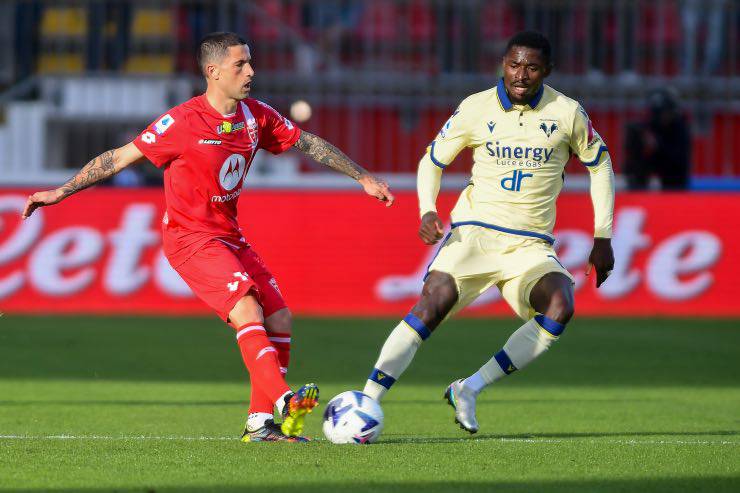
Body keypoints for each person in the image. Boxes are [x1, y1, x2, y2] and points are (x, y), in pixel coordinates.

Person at [21, 31, 394, 442]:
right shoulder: (182, 122)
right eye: (240, 64)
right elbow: (118, 158)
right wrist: (61, 191)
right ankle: (285, 400)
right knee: (247, 308)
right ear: (213, 72)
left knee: (279, 317)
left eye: (250, 62)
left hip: (228, 235)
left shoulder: (257, 116)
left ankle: (260, 424)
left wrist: (362, 177)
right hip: (189, 239)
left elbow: (307, 143)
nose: (250, 71)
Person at [362, 31, 615, 434]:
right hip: (475, 233)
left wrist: (603, 236)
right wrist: (428, 210)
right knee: (434, 300)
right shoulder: (475, 108)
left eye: (532, 67)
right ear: (503, 64)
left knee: (560, 305)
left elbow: (600, 165)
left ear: (547, 71)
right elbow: (433, 160)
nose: (521, 75)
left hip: (530, 244)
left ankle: (470, 387)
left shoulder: (567, 113)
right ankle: (367, 401)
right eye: (514, 65)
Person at [624, 88, 691, 190]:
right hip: (653, 166)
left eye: (665, 112)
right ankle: (637, 189)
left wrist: (657, 144)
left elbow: (678, 158)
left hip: (673, 175)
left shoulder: (680, 127)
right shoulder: (651, 124)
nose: (662, 117)